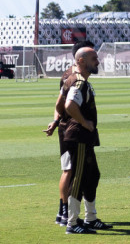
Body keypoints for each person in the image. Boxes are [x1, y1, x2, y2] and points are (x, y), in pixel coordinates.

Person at [60, 46, 111, 234]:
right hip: (79, 136)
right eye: (93, 58)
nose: (97, 61)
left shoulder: (76, 80)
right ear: (81, 61)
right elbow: (69, 105)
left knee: (93, 175)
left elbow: (59, 102)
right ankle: (72, 224)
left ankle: (90, 218)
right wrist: (85, 122)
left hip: (83, 137)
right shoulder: (79, 81)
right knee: (79, 178)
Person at [44, 40, 94, 228]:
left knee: (72, 169)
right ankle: (65, 211)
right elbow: (63, 103)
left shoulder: (72, 73)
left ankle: (64, 212)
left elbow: (59, 103)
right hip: (71, 129)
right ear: (80, 57)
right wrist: (60, 121)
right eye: (92, 56)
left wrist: (55, 121)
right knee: (69, 169)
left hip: (66, 126)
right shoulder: (73, 76)